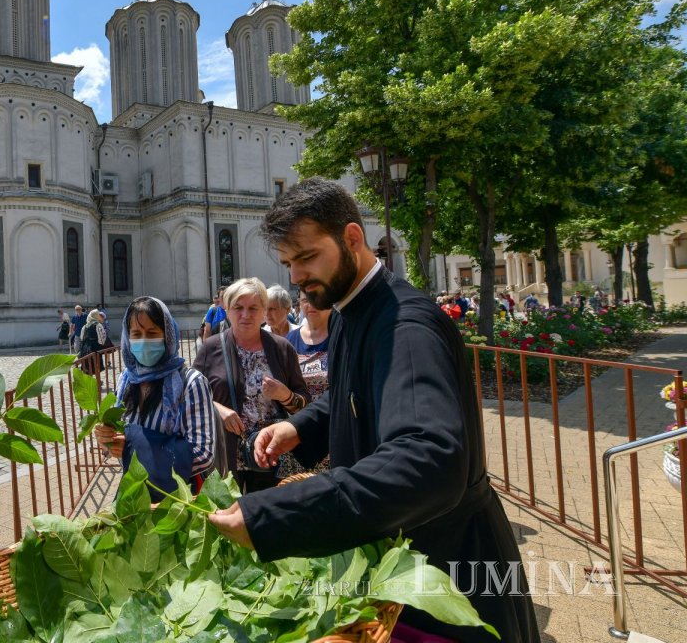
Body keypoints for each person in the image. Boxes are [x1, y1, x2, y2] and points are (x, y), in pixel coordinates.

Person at [207, 177, 540, 642]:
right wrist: (299, 428)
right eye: (288, 263)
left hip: (446, 570)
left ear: (351, 239)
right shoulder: (349, 309)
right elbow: (351, 395)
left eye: (306, 257)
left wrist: (277, 516)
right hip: (399, 561)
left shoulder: (405, 327)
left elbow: (429, 457)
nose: (297, 277)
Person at [194, 277, 309, 494]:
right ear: (227, 310)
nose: (245, 315)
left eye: (253, 308)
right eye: (238, 307)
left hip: (270, 455)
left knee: (268, 519)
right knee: (227, 519)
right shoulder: (210, 348)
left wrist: (285, 396)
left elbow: (304, 403)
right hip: (225, 455)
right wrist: (219, 410)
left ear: (263, 310)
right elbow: (191, 396)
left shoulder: (282, 348)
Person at [93, 296, 216, 498]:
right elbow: (121, 439)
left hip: (178, 500)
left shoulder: (191, 383)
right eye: (136, 334)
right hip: (134, 496)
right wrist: (108, 440)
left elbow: (203, 454)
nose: (143, 341)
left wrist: (132, 448)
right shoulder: (126, 380)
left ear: (167, 336)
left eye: (152, 333)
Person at [78, 308, 109, 375]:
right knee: (96, 364)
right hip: (94, 347)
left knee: (87, 365)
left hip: (85, 348)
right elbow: (102, 336)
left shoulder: (84, 326)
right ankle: (98, 381)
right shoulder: (98, 325)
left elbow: (81, 338)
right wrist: (101, 345)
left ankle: (90, 380)